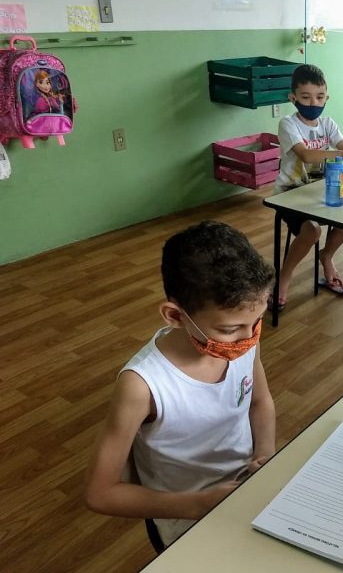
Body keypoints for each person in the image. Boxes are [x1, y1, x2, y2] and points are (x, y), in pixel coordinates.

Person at [84, 221, 277, 547]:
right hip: (183, 515)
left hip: (244, 487)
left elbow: (260, 402)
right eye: (230, 330)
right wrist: (197, 505)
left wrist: (265, 453)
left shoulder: (242, 340)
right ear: (174, 316)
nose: (248, 338)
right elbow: (99, 493)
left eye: (256, 322)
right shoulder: (142, 385)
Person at [272, 63, 343, 311]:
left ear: (327, 97)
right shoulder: (288, 124)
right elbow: (305, 155)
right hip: (291, 195)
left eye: (320, 97)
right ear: (293, 98)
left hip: (321, 192)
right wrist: (340, 152)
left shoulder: (327, 123)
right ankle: (284, 277)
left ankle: (327, 256)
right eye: (306, 97)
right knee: (312, 230)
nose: (314, 103)